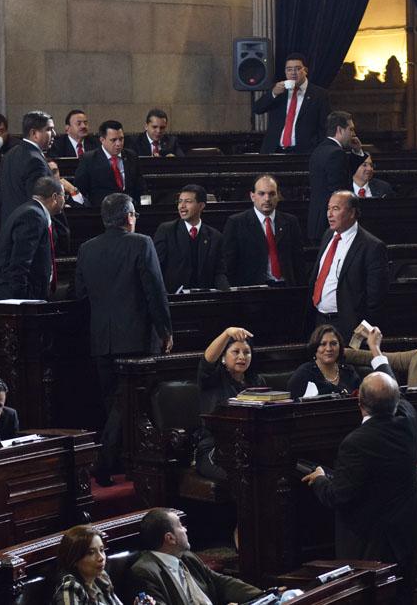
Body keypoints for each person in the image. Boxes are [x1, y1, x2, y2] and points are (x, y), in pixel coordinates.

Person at [302, 360, 417, 604]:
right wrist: (379, 357)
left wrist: (321, 479)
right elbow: (400, 396)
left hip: (370, 545)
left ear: (359, 402)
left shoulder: (357, 442)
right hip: (406, 535)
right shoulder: (408, 421)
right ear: (396, 402)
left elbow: (338, 496)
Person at [75, 193, 172, 485]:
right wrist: (165, 329)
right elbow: (155, 290)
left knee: (113, 402)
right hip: (135, 339)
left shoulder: (86, 248)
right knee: (126, 402)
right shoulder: (141, 243)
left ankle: (118, 462)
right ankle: (105, 462)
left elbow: (80, 293)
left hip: (101, 339)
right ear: (129, 216)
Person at [127, 508, 263, 605]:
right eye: (180, 526)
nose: (185, 529)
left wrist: (263, 596)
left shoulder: (186, 557)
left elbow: (220, 582)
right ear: (170, 538)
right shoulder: (145, 571)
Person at [310, 190, 389, 341]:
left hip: (349, 326)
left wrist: (360, 335)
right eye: (328, 208)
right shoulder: (328, 235)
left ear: (352, 213)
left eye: (336, 209)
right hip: (320, 320)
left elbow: (376, 299)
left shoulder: (372, 246)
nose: (329, 214)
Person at [196, 327, 264, 481]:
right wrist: (227, 333)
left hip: (248, 447)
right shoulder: (212, 378)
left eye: (246, 352)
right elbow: (207, 361)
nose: (242, 357)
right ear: (223, 357)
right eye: (236, 352)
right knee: (242, 476)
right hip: (215, 448)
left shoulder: (256, 382)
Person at [0, 176, 65, 301]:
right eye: (64, 196)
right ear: (55, 197)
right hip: (14, 295)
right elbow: (21, 261)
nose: (64, 201)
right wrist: (22, 297)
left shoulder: (31, 211)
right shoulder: (33, 216)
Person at [222, 174, 305, 287]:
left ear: (278, 196)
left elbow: (298, 261)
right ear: (252, 196)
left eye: (272, 194)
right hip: (252, 290)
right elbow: (229, 263)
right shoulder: (236, 223)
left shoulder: (290, 222)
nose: (267, 199)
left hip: (286, 288)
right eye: (261, 194)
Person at [152, 184, 228, 293]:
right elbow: (156, 268)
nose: (182, 206)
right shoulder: (166, 231)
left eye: (188, 202)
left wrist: (226, 294)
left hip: (205, 300)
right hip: (174, 300)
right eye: (180, 201)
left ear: (201, 205)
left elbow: (219, 272)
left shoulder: (215, 237)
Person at [252, 53, 331, 154]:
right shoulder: (278, 89)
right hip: (275, 151)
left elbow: (325, 126)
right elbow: (257, 109)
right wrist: (273, 94)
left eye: (297, 69)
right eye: (289, 69)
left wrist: (317, 149)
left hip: (305, 153)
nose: (293, 73)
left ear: (305, 71)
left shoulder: (319, 94)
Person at [307, 111, 366, 240]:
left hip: (316, 219)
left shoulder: (319, 150)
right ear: (340, 129)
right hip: (330, 222)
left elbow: (345, 170)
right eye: (350, 129)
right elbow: (338, 192)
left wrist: (357, 151)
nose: (353, 134)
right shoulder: (336, 154)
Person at [0, 110, 56, 223]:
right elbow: (40, 203)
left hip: (8, 226)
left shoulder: (9, 154)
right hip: (29, 230)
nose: (54, 133)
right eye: (48, 129)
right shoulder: (35, 161)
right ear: (34, 134)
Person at [74, 120, 146, 208]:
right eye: (114, 140)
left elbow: (141, 188)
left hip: (130, 210)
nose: (118, 144)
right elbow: (80, 191)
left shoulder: (131, 156)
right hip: (101, 212)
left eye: (121, 139)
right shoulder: (89, 159)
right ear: (102, 140)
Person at [53, 525, 124, 605]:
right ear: (75, 559)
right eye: (91, 553)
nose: (101, 558)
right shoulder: (69, 589)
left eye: (101, 550)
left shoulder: (101, 577)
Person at [287, 324, 361, 399]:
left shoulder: (349, 372)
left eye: (333, 343)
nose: (329, 349)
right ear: (315, 347)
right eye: (323, 344)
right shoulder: (304, 374)